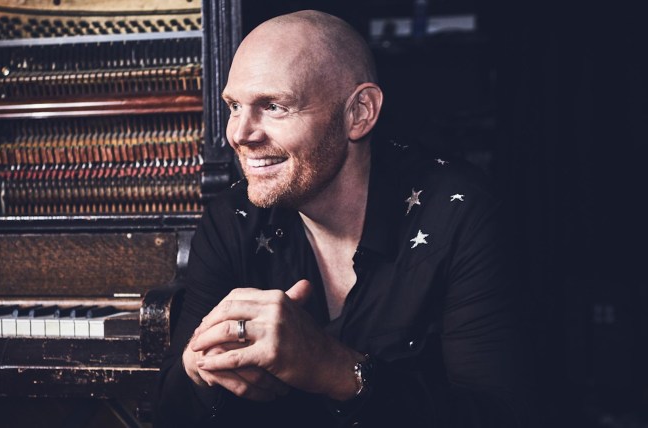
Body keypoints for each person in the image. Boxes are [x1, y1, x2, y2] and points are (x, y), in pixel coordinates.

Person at [154, 9, 535, 428]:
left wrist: (333, 369)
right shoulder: (232, 219)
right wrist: (197, 369)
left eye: (274, 106)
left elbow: (501, 416)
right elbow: (168, 413)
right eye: (234, 106)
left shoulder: (459, 214)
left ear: (359, 113)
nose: (240, 134)